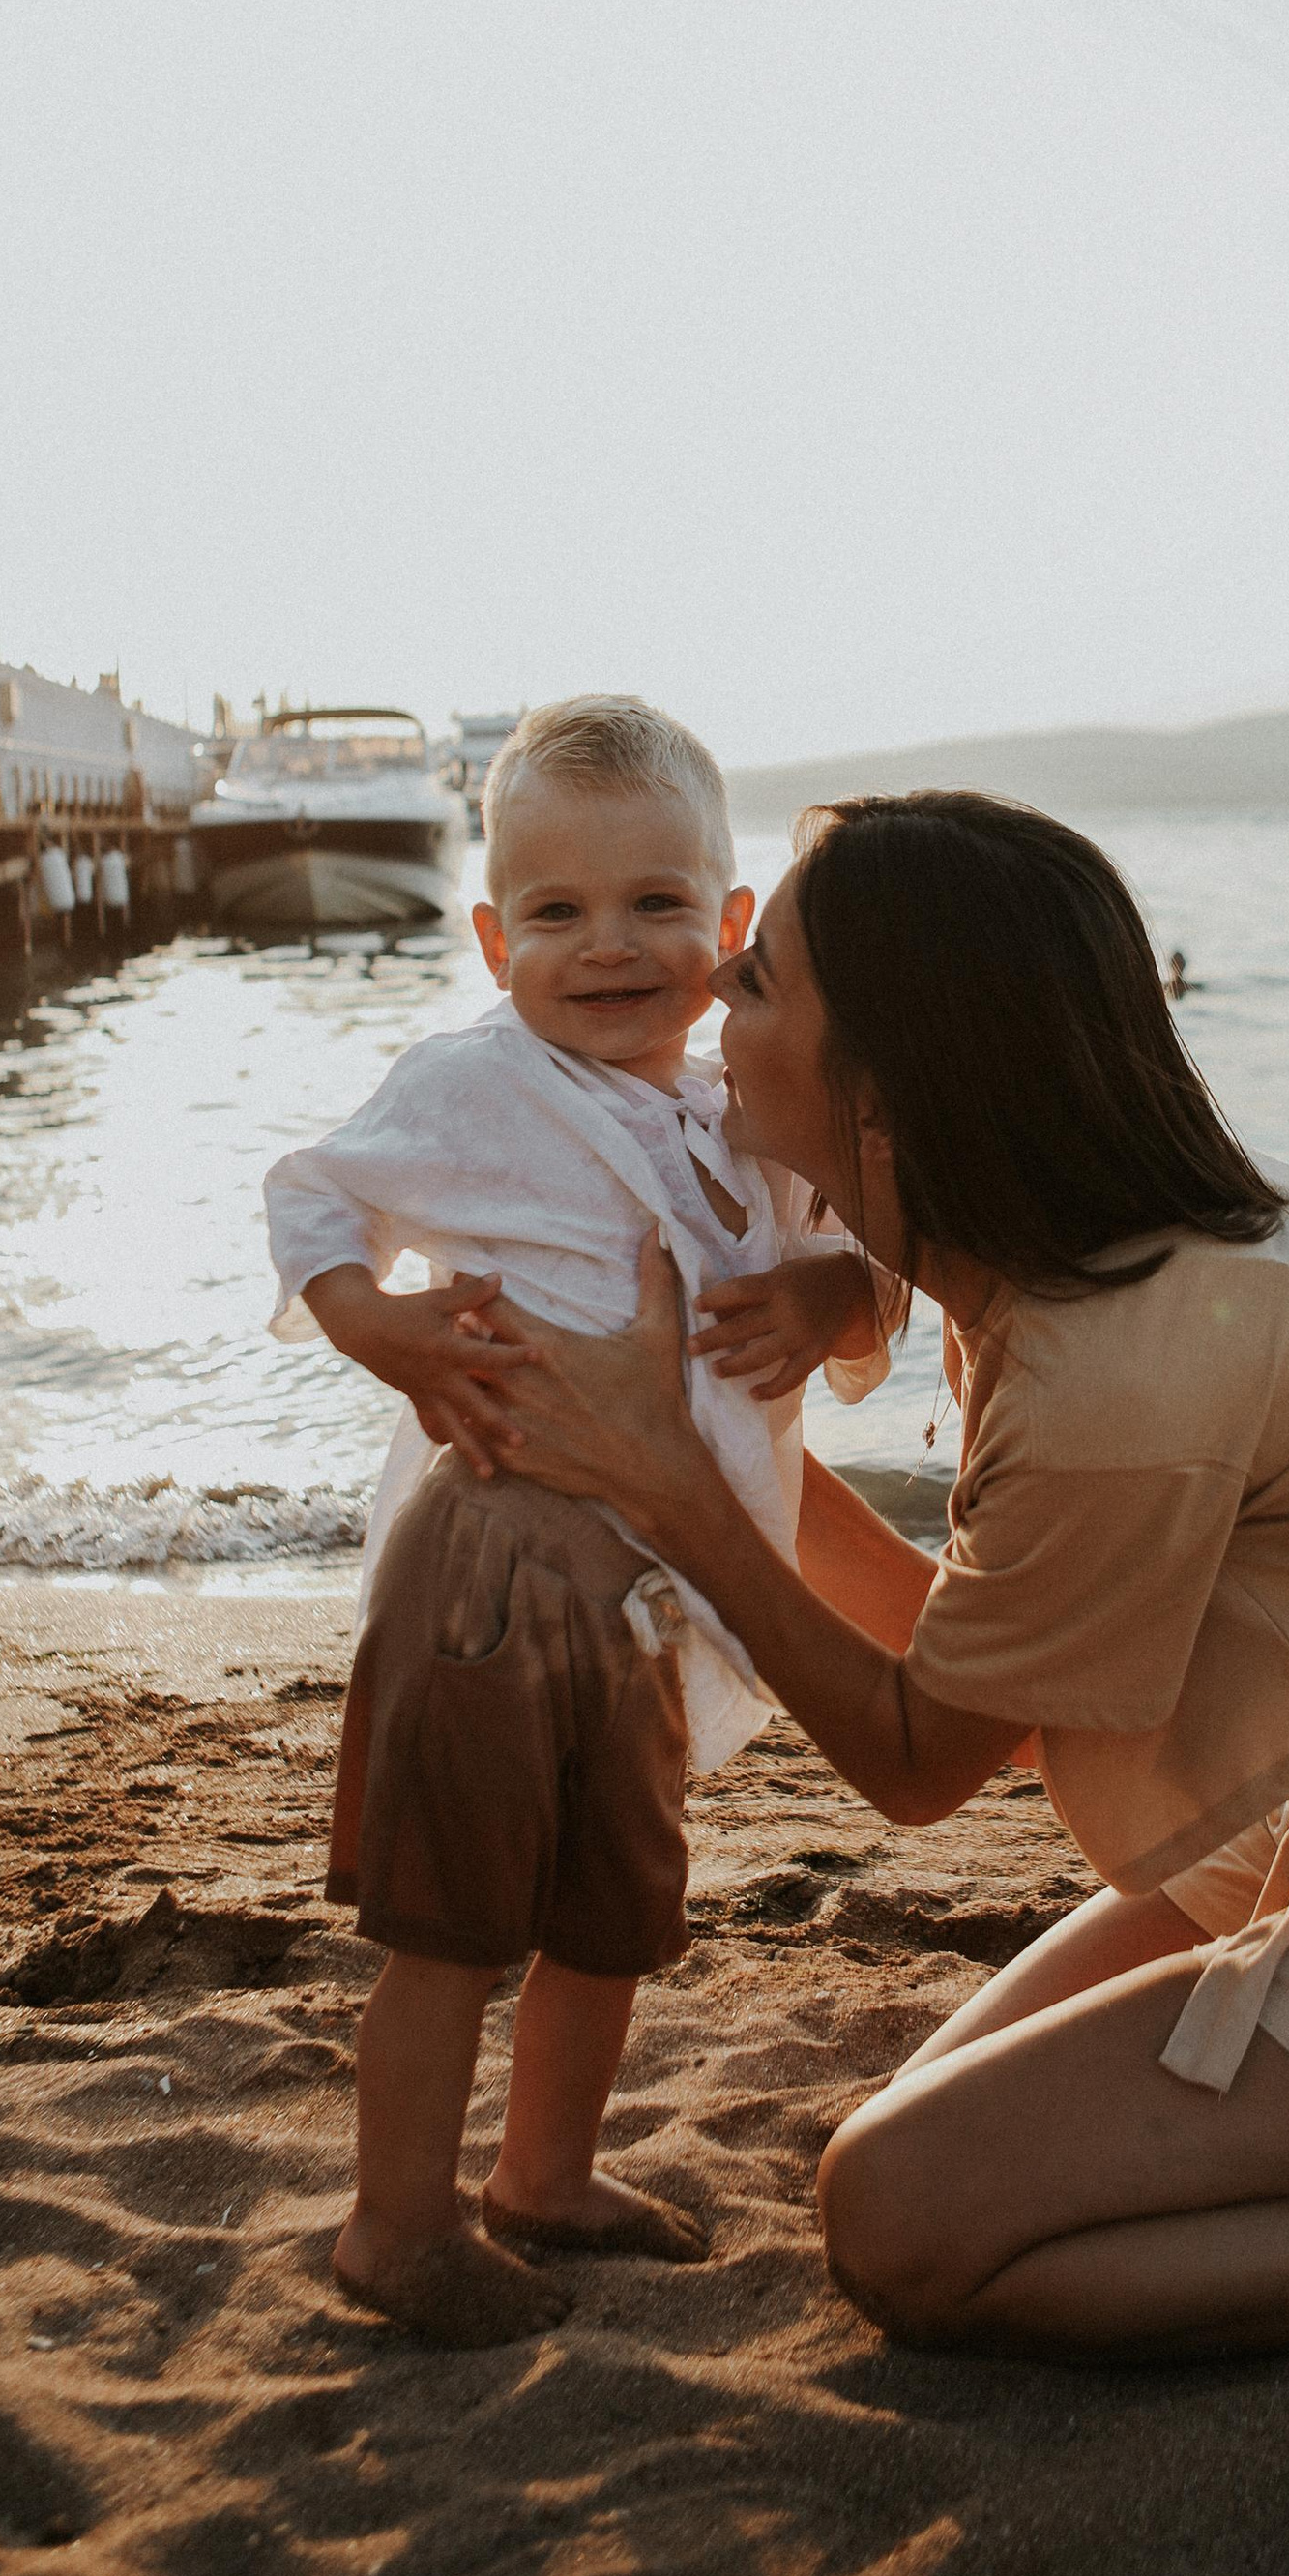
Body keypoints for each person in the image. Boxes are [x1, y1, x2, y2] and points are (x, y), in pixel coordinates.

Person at [454, 790, 1289, 2365]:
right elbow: (994, 1681)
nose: (713, 988)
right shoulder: (1088, 1228)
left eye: (761, 979)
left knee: (903, 2217)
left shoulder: (1121, 1366)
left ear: (889, 1088)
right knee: (935, 2123)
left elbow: (923, 1760)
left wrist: (676, 1485)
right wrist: (722, 1450)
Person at [262, 697, 882, 2344]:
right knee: (452, 1927)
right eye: (556, 912)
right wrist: (380, 1328)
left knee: (616, 1906)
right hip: (490, 1563)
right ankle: (395, 2224)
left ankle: (544, 2173)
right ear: (492, 939)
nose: (608, 946)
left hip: (651, 1598)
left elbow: (874, 1263)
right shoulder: (480, 1086)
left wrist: (824, 1297)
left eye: (655, 904)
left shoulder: (746, 1121)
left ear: (730, 927)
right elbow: (312, 1196)